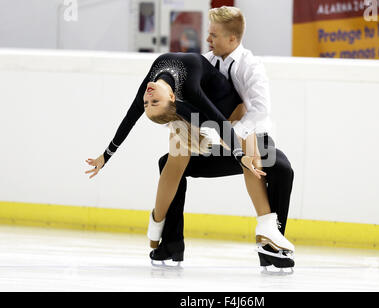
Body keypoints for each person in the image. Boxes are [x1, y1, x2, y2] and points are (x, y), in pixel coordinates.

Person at [85, 51, 295, 267]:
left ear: (171, 96)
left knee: (269, 160)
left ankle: (267, 231)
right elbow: (130, 120)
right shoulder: (181, 93)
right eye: (150, 103)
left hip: (229, 113)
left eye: (149, 102)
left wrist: (241, 155)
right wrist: (105, 157)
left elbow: (130, 120)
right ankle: (161, 233)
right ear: (172, 98)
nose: (147, 99)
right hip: (200, 113)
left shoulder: (165, 89)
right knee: (172, 162)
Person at [148, 6, 296, 269]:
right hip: (216, 144)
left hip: (251, 140)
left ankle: (272, 246)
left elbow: (260, 110)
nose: (207, 40)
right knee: (167, 163)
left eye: (213, 35)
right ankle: (171, 244)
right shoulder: (204, 64)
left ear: (233, 39)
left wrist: (231, 133)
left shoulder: (251, 66)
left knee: (282, 168)